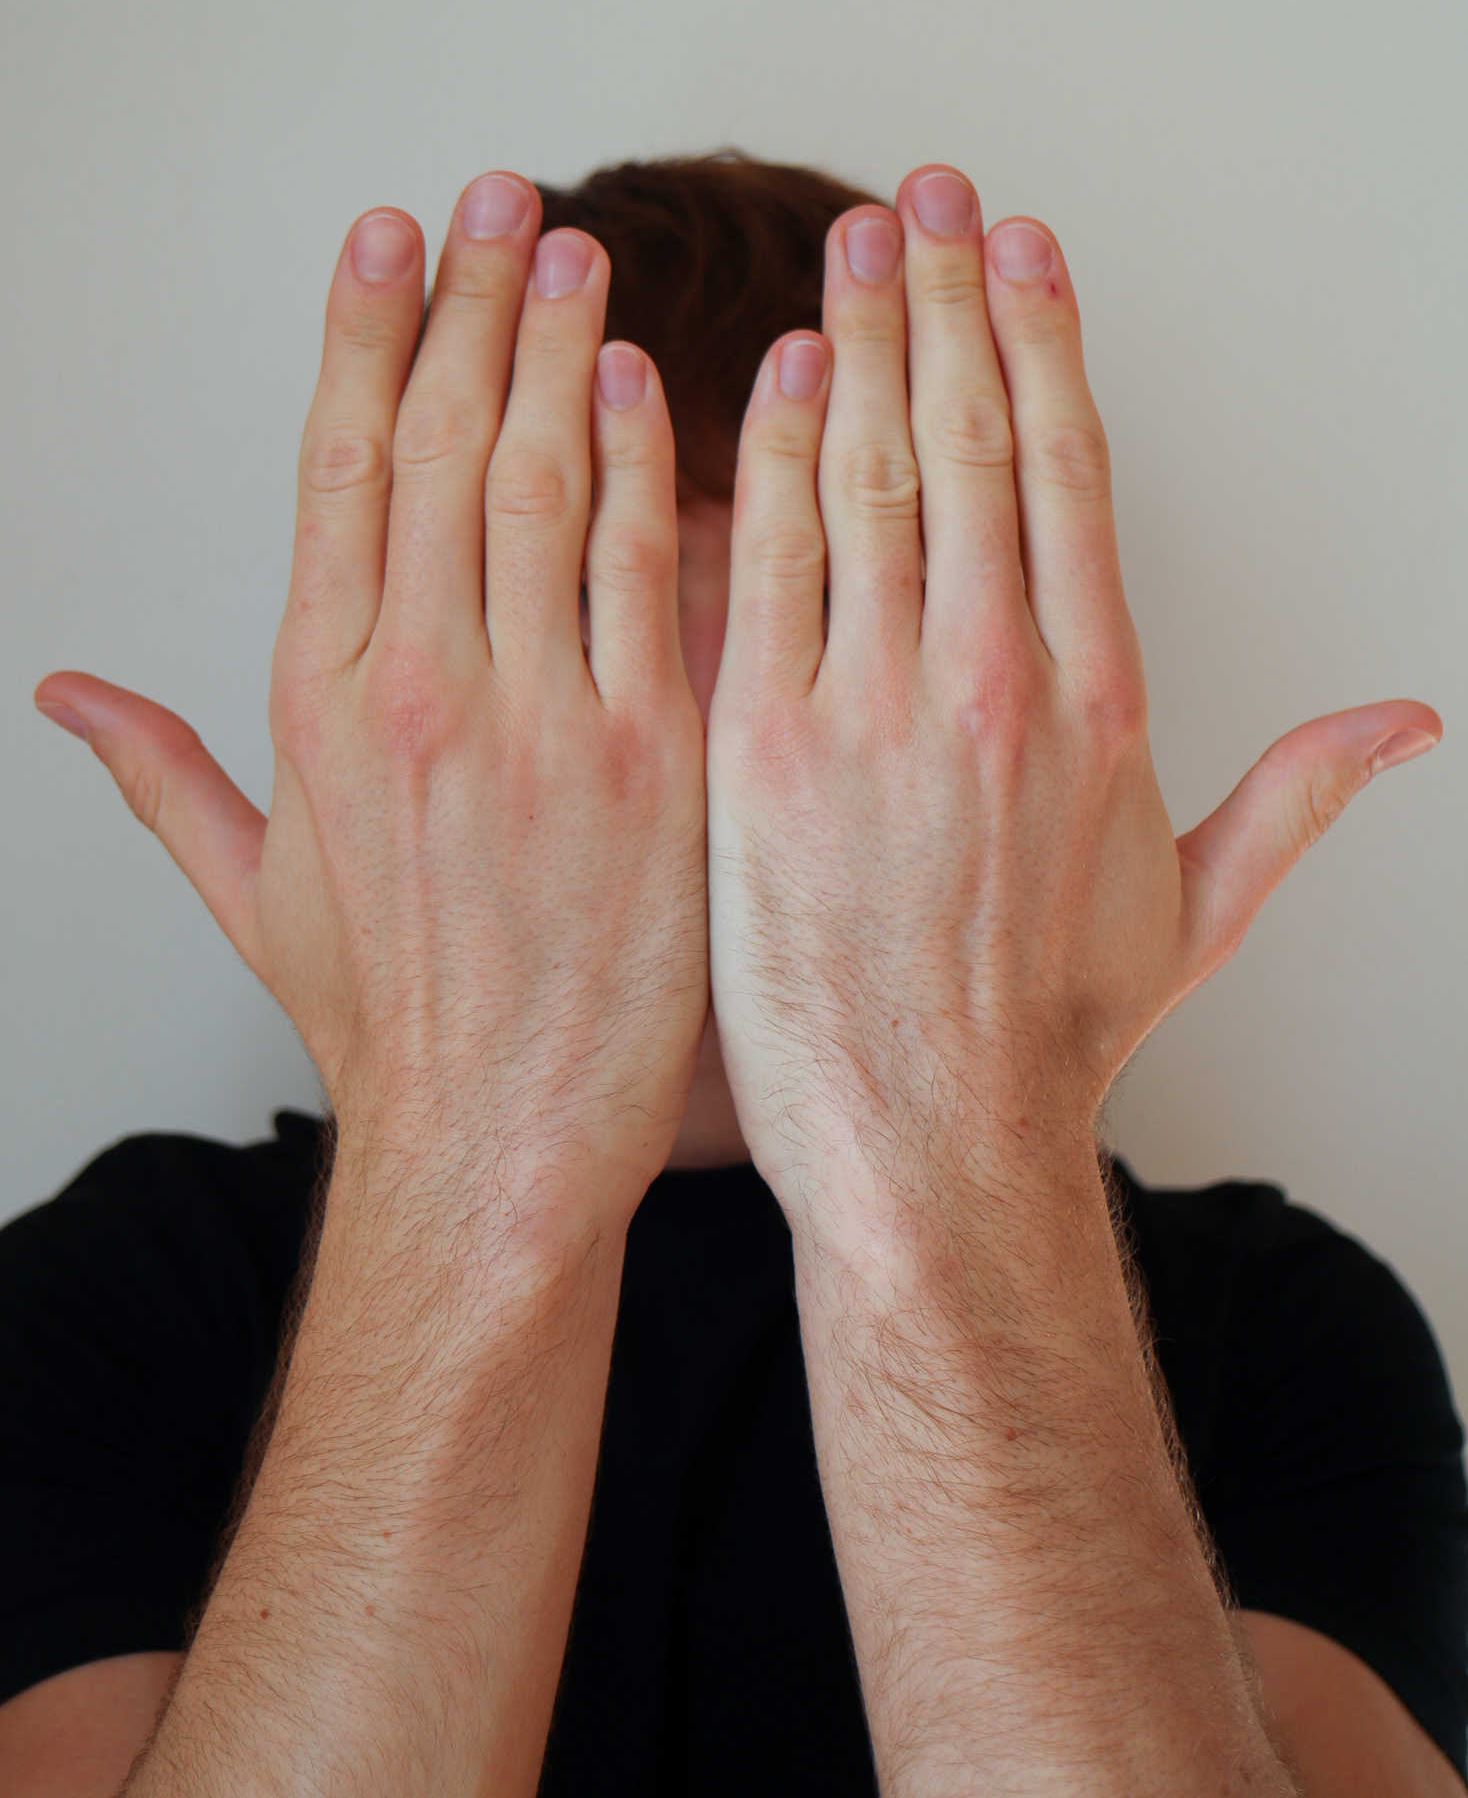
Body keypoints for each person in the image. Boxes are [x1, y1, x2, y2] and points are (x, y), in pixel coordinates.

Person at [2, 154, 1464, 1797]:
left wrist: (940, 1134)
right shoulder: (111, 1303)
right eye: (570, 596)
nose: (702, 724)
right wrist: (485, 1143)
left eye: (828, 596)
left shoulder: (1287, 1337)